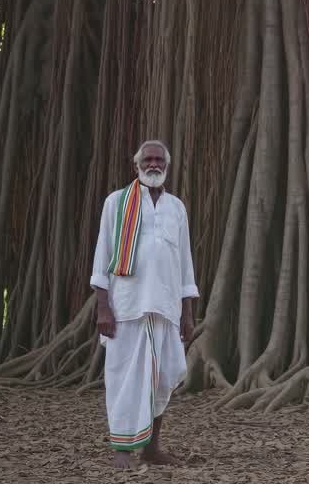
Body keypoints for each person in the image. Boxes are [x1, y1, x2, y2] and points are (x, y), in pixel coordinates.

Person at [89, 140, 199, 468]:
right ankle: (122, 450)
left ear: (166, 165)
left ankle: (152, 449)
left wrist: (188, 314)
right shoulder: (116, 203)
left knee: (164, 376)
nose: (153, 164)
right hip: (127, 309)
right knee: (124, 379)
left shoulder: (176, 208)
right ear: (136, 165)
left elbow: (185, 264)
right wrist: (103, 307)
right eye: (147, 159)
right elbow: (102, 257)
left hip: (166, 309)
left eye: (159, 159)